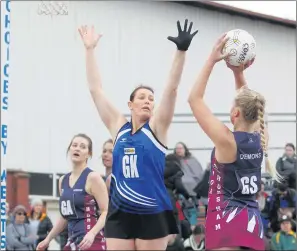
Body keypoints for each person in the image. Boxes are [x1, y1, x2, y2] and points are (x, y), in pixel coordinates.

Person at [78, 19, 198, 250]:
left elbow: (171, 90)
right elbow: (96, 90)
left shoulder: (157, 129)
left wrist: (181, 52)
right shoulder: (118, 127)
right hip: (120, 212)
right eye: (142, 97)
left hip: (151, 210)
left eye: (151, 99)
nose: (147, 101)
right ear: (130, 104)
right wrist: (90, 50)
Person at [188, 33, 281, 250]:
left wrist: (211, 60)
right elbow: (249, 103)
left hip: (226, 223)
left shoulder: (227, 141)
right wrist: (238, 73)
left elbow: (194, 99)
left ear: (235, 114)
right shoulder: (261, 137)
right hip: (252, 223)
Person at [36, 134, 109, 251]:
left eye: (82, 146)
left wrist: (92, 233)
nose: (77, 148)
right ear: (69, 149)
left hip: (91, 240)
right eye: (74, 145)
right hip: (72, 240)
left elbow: (106, 211)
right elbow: (65, 217)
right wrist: (48, 239)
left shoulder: (93, 177)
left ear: (89, 154)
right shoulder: (62, 181)